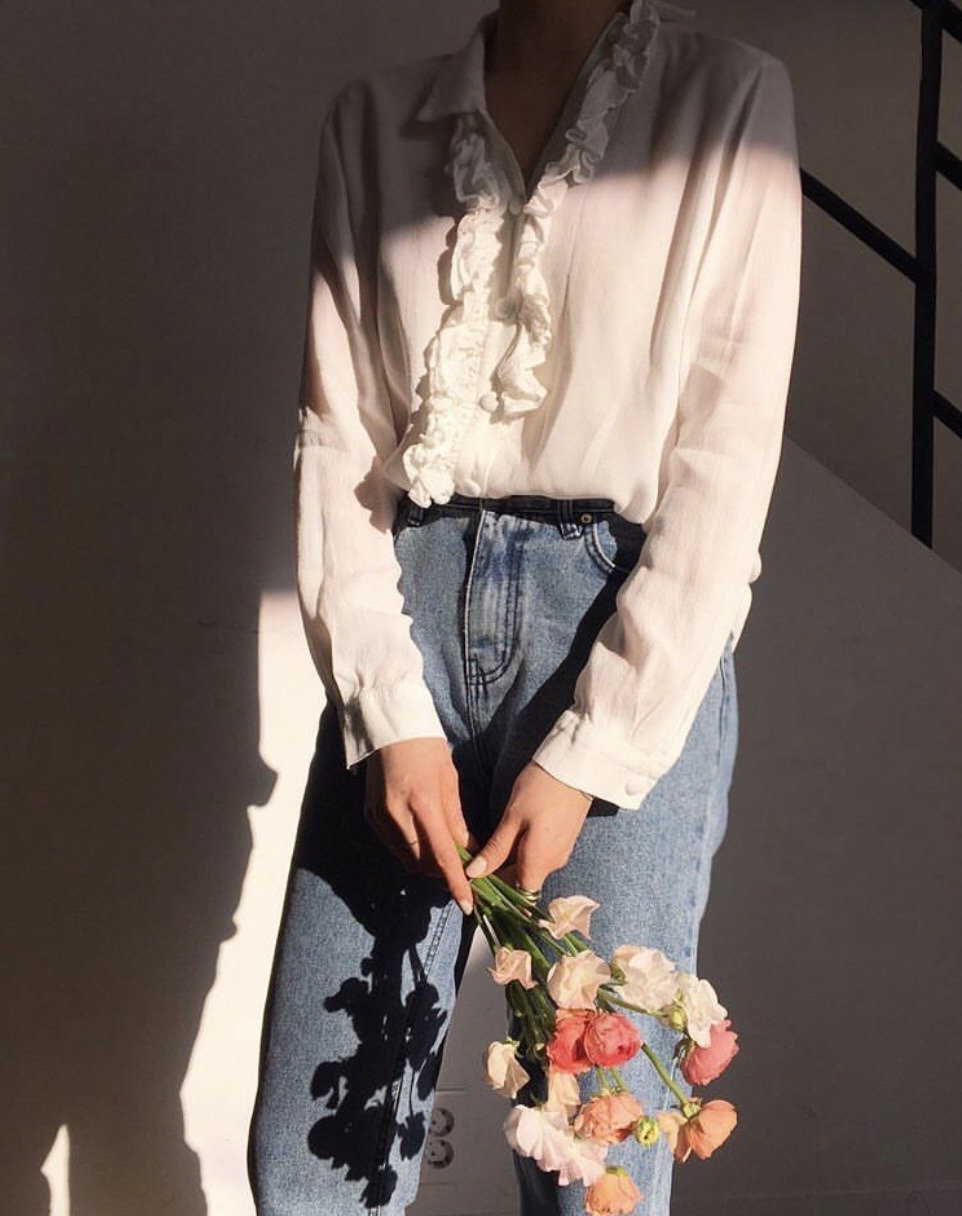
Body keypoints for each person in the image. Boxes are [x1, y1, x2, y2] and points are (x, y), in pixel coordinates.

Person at [248, 0, 802, 1212]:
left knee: (592, 1156)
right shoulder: (375, 122)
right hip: (403, 621)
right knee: (314, 1162)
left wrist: (592, 750)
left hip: (617, 630)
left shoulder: (727, 103)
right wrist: (389, 714)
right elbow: (336, 441)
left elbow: (724, 461)